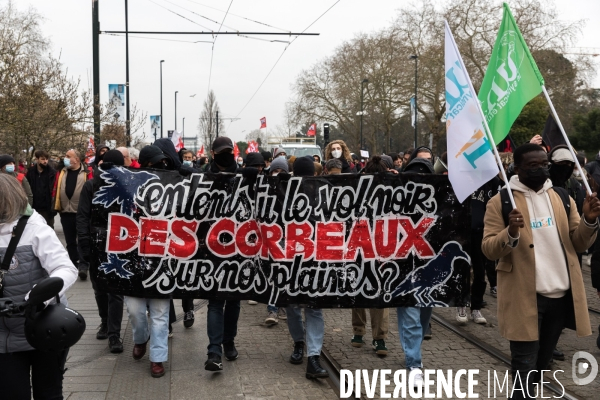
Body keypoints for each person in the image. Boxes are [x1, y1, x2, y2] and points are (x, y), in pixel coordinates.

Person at [482, 143, 600, 399]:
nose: (540, 170)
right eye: (532, 166)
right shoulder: (501, 201)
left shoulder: (560, 197)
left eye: (544, 164)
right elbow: (489, 249)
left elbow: (579, 242)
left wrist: (589, 220)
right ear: (518, 168)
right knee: (524, 367)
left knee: (540, 367)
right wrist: (510, 232)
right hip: (525, 298)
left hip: (559, 297)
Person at [0, 174, 78, 399]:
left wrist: (37, 297)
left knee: (49, 392)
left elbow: (65, 268)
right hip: (3, 335)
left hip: (42, 328)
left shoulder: (34, 227)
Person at [126, 145, 172, 378]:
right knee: (135, 310)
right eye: (154, 163)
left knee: (160, 314)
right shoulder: (129, 184)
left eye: (162, 163)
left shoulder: (172, 184)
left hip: (162, 259)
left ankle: (158, 358)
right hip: (134, 258)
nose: (159, 167)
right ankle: (140, 338)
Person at [285, 157, 329, 380]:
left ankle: (313, 355)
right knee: (293, 306)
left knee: (313, 307)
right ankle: (299, 342)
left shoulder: (323, 193)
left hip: (314, 258)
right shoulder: (284, 193)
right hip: (291, 259)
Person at [77, 150, 125, 353]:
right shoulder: (91, 186)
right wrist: (85, 245)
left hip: (120, 245)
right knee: (99, 288)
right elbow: (82, 216)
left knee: (116, 291)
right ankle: (105, 321)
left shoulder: (126, 185)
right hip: (97, 244)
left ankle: (114, 334)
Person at [205, 136, 243, 372]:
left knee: (234, 301)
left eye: (229, 151)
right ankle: (214, 350)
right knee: (215, 301)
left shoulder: (243, 176)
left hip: (240, 248)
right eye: (221, 152)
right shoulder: (203, 176)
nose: (225, 155)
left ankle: (229, 341)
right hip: (211, 248)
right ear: (212, 153)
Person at [350, 158, 391, 356]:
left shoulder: (358, 189)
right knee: (376, 293)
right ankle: (378, 338)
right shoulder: (389, 191)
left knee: (361, 290)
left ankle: (361, 333)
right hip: (375, 249)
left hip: (365, 249)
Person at [457, 175, 502, 326]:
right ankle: (462, 304)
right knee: (462, 270)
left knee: (480, 271)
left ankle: (476, 307)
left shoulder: (491, 180)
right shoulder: (460, 177)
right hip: (462, 231)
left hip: (481, 232)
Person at [52, 149, 90, 280]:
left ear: (77, 160)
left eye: (68, 156)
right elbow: (55, 188)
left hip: (81, 212)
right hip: (65, 211)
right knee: (70, 241)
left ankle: (83, 265)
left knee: (82, 239)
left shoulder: (87, 173)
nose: (65, 158)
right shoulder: (62, 172)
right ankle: (73, 264)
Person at [26, 150, 57, 228]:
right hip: (34, 208)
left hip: (47, 209)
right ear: (37, 159)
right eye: (42, 159)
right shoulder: (30, 172)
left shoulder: (52, 173)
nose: (45, 161)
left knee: (48, 230)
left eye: (46, 159)